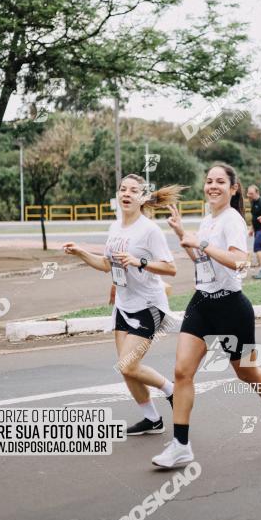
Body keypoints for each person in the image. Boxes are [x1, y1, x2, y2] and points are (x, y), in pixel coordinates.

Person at [151, 163, 261, 469]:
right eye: (208, 181)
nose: (212, 186)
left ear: (233, 189)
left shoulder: (232, 220)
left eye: (220, 182)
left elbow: (240, 263)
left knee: (247, 373)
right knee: (182, 372)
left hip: (232, 307)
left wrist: (200, 243)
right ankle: (181, 445)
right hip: (202, 303)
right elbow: (202, 260)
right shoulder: (207, 221)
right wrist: (182, 235)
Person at [63, 174, 180, 435]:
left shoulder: (150, 230)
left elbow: (171, 269)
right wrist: (81, 252)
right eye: (123, 189)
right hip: (124, 306)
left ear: (142, 198)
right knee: (128, 370)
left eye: (133, 190)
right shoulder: (115, 228)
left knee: (127, 364)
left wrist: (139, 262)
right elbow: (107, 265)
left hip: (149, 306)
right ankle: (152, 420)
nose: (127, 193)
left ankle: (172, 390)